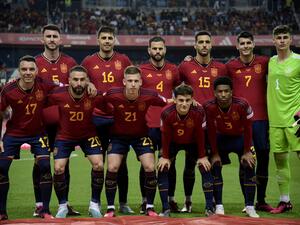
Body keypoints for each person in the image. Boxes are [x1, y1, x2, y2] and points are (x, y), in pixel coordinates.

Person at [102, 66, 168, 217]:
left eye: (136, 81)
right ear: (124, 81)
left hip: (141, 136)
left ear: (141, 82)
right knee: (112, 167)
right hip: (118, 137)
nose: (133, 84)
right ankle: (111, 208)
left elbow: (166, 102)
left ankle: (149, 207)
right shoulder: (113, 93)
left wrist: (189, 102)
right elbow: (99, 100)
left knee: (150, 167)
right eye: (130, 81)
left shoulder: (149, 95)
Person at [81, 26, 133, 214]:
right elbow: (78, 79)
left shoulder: (124, 60)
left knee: (122, 163)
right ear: (98, 40)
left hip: (119, 118)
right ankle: (95, 202)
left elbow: (134, 78)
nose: (107, 41)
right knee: (98, 162)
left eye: (110, 38)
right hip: (96, 118)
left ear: (114, 40)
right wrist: (88, 83)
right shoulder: (88, 61)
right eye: (103, 38)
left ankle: (123, 203)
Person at [33, 24, 80, 217]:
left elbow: (79, 86)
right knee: (40, 163)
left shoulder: (70, 62)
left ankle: (64, 203)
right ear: (42, 39)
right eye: (48, 36)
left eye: (55, 36)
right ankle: (39, 205)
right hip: (41, 123)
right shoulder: (34, 63)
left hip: (64, 123)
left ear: (60, 40)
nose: (52, 39)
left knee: (64, 164)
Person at [178, 30, 227, 212]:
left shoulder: (221, 68)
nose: (204, 45)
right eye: (201, 42)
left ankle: (215, 202)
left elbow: (228, 92)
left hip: (215, 126)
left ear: (211, 45)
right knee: (190, 165)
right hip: (192, 124)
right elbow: (176, 87)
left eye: (207, 42)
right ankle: (188, 201)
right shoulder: (185, 66)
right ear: (195, 45)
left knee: (214, 164)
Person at [0, 56, 54, 220]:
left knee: (45, 165)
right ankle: (2, 211)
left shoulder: (44, 84)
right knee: (1, 168)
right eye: (24, 69)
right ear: (19, 70)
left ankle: (45, 210)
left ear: (36, 71)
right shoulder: (8, 90)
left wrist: (88, 84)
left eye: (31, 69)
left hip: (38, 133)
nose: (28, 73)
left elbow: (65, 88)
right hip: (14, 133)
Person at [48, 65, 104, 218]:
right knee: (59, 168)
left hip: (88, 135)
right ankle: (62, 206)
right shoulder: (57, 94)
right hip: (64, 136)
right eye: (75, 80)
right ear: (69, 81)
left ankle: (94, 204)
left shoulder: (94, 95)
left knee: (99, 164)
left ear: (87, 81)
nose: (79, 83)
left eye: (82, 80)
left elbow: (108, 107)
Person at [226, 31, 273, 212]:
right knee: (245, 160)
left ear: (253, 44)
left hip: (261, 120)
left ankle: (261, 200)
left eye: (248, 43)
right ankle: (248, 202)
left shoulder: (265, 62)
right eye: (242, 43)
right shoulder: (230, 66)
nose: (245, 46)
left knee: (262, 159)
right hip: (240, 122)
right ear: (237, 46)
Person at [203, 76, 259, 218]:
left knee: (250, 164)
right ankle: (219, 205)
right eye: (220, 91)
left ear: (231, 91)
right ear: (214, 92)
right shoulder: (209, 106)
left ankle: (250, 206)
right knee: (214, 165)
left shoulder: (242, 104)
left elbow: (248, 129)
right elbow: (210, 131)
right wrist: (214, 153)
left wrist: (247, 151)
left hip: (241, 139)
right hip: (221, 139)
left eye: (226, 91)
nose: (223, 95)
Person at [158, 83, 215, 217]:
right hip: (173, 141)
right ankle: (166, 207)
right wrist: (165, 156)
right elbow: (165, 136)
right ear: (175, 99)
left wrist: (202, 156)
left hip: (193, 141)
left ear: (192, 100)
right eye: (181, 100)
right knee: (163, 167)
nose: (184, 104)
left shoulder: (199, 111)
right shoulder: (166, 112)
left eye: (188, 100)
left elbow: (200, 134)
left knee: (204, 166)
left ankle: (208, 207)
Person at [139, 36, 181, 216]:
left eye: (160, 48)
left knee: (170, 163)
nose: (157, 52)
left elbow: (181, 94)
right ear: (149, 50)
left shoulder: (173, 70)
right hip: (147, 125)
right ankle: (145, 202)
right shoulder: (140, 70)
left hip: (168, 125)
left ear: (165, 50)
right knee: (146, 165)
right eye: (154, 48)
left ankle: (170, 199)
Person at [267, 25, 300, 214]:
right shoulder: (270, 62)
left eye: (285, 37)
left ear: (290, 40)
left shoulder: (298, 60)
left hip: (295, 119)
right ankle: (285, 200)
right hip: (276, 120)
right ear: (273, 40)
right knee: (280, 160)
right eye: (278, 37)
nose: (281, 40)